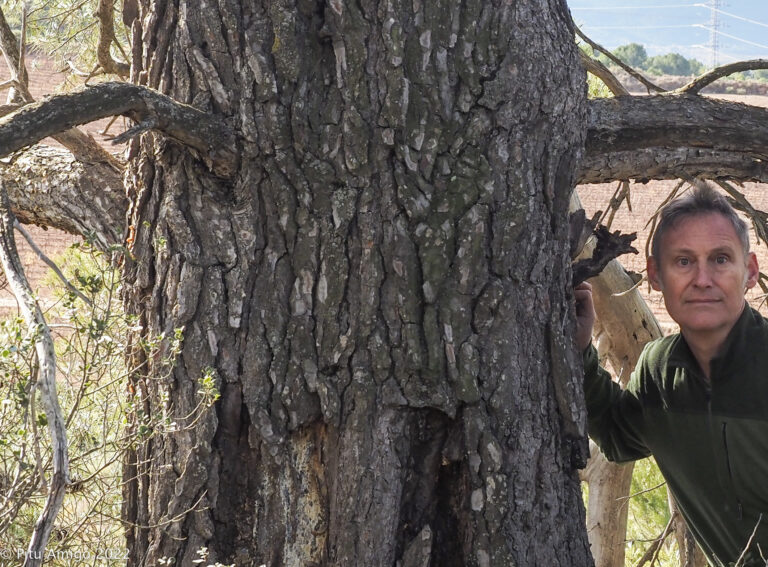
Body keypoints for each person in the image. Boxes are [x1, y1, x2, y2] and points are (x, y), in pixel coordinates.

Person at [576, 184, 768, 567]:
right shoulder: (659, 372)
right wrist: (580, 352)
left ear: (749, 271)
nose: (702, 279)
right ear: (655, 275)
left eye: (720, 259)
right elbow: (618, 435)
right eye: (683, 261)